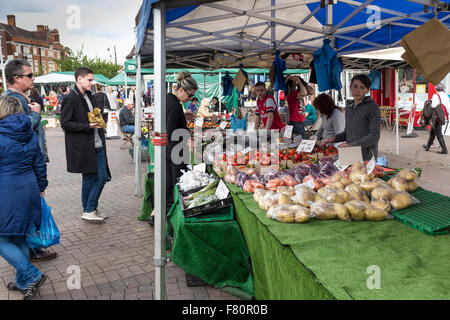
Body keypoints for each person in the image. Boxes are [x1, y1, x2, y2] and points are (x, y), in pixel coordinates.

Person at [0, 96, 48, 299]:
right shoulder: (29, 131)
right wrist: (41, 186)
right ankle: (22, 281)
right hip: (29, 187)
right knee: (18, 235)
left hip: (7, 189)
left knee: (2, 238)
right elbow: (39, 161)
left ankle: (31, 274)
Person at [60, 67, 111, 222]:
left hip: (97, 144)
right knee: (93, 178)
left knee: (100, 177)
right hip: (84, 146)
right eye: (89, 80)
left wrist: (100, 119)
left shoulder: (90, 96)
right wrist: (87, 126)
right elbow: (65, 124)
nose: (91, 82)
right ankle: (89, 209)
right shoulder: (70, 98)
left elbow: (94, 115)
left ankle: (90, 209)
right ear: (79, 79)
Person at [159, 71, 198, 227]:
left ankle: (161, 214)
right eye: (189, 95)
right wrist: (187, 140)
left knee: (169, 185)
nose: (189, 99)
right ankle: (175, 221)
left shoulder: (169, 99)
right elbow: (170, 130)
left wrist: (183, 115)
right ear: (181, 90)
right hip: (175, 151)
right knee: (178, 184)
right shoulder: (175, 105)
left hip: (169, 151)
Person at [319, 74, 381, 161]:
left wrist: (352, 145)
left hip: (366, 156)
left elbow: (374, 136)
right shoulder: (350, 107)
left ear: (367, 90)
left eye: (362, 87)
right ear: (350, 87)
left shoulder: (373, 108)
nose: (358, 90)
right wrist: (330, 139)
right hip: (349, 153)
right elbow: (347, 133)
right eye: (355, 86)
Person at [3, 59, 48, 162]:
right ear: (17, 78)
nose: (33, 78)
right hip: (26, 159)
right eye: (30, 75)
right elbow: (18, 129)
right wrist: (35, 114)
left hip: (30, 157)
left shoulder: (19, 97)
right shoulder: (11, 100)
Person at [423, 83, 448, 154]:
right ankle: (427, 146)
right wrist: (447, 115)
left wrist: (431, 101)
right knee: (432, 132)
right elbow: (448, 106)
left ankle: (444, 149)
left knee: (438, 132)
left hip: (436, 116)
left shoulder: (435, 95)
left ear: (436, 88)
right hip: (442, 115)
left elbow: (433, 106)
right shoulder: (445, 95)